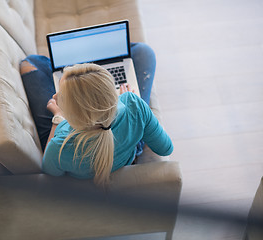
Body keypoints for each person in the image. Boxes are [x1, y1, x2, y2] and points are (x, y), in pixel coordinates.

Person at [20, 43, 173, 187]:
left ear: (73, 114)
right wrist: (134, 105)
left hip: (72, 141)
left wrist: (58, 119)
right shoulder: (133, 104)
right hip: (127, 146)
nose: (55, 97)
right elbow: (165, 149)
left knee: (31, 62)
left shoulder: (60, 146)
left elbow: (49, 175)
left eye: (62, 95)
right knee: (142, 51)